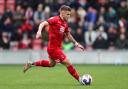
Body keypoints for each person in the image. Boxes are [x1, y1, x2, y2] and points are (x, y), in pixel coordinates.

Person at [23, 5, 85, 84]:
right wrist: (39, 31)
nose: (69, 16)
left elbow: (68, 35)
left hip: (56, 48)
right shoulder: (55, 19)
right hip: (53, 48)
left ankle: (31, 64)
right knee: (68, 63)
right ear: (62, 13)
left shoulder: (65, 23)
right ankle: (80, 80)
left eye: (70, 14)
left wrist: (76, 44)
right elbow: (43, 23)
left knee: (51, 64)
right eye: (68, 14)